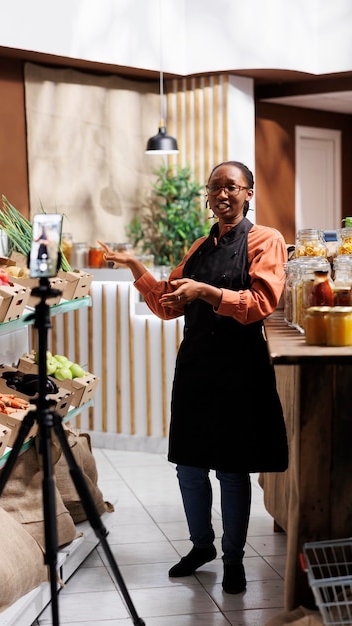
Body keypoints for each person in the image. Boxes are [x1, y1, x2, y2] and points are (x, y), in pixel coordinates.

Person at [98, 160, 288, 595]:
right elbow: (168, 306)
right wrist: (133, 266)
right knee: (188, 467)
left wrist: (206, 291)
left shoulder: (266, 241)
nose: (223, 195)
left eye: (232, 188)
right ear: (208, 195)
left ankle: (235, 558)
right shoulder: (200, 247)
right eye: (216, 188)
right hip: (197, 368)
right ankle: (202, 546)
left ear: (249, 193)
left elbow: (261, 302)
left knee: (232, 472)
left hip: (241, 371)